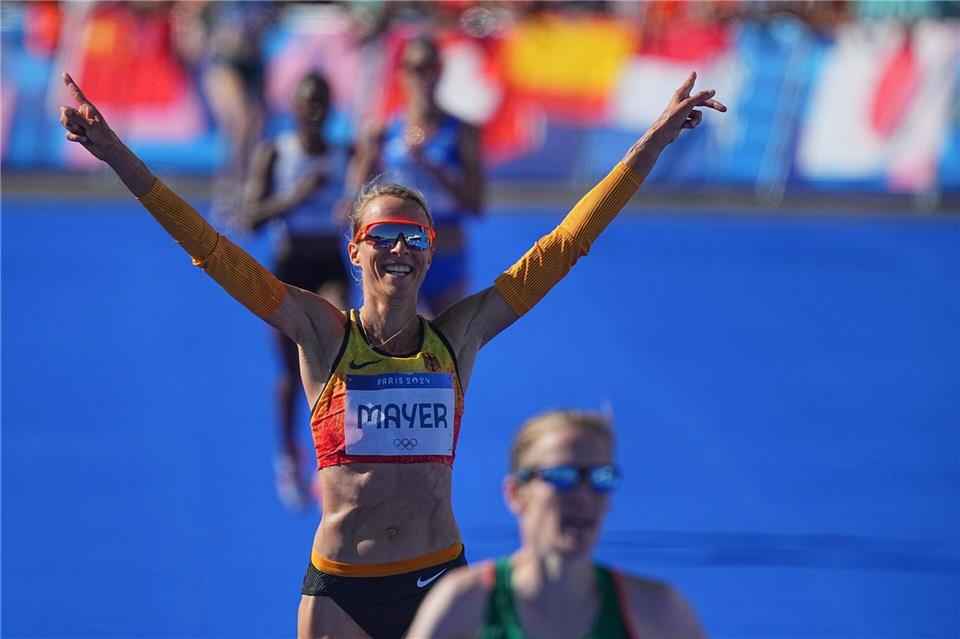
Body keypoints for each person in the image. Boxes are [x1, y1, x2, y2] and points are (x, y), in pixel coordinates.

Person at [58, 69, 724, 638]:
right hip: (342, 593)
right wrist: (118, 155)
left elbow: (563, 247)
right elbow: (213, 251)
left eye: (414, 235)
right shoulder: (323, 334)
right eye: (383, 235)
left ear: (431, 248)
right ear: (355, 249)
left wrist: (653, 142)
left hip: (439, 578)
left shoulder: (457, 334)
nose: (399, 248)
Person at [408, 410, 706, 639]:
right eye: (563, 477)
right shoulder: (465, 603)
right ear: (515, 493)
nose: (584, 497)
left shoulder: (658, 611)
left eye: (601, 479)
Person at [241, 71, 351, 511]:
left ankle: (334, 455)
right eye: (308, 102)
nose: (315, 111)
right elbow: (251, 217)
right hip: (288, 268)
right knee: (290, 374)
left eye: (322, 102)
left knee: (338, 356)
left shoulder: (347, 153)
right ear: (294, 107)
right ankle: (288, 454)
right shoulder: (276, 153)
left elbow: (368, 197)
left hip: (330, 267)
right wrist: (297, 194)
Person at [350, 35, 484, 316]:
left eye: (430, 68)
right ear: (402, 74)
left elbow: (476, 204)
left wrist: (434, 168)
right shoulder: (386, 132)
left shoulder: (460, 132)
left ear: (440, 71)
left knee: (447, 349)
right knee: (396, 348)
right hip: (398, 252)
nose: (423, 77)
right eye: (415, 68)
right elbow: (355, 198)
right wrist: (367, 156)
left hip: (444, 252)